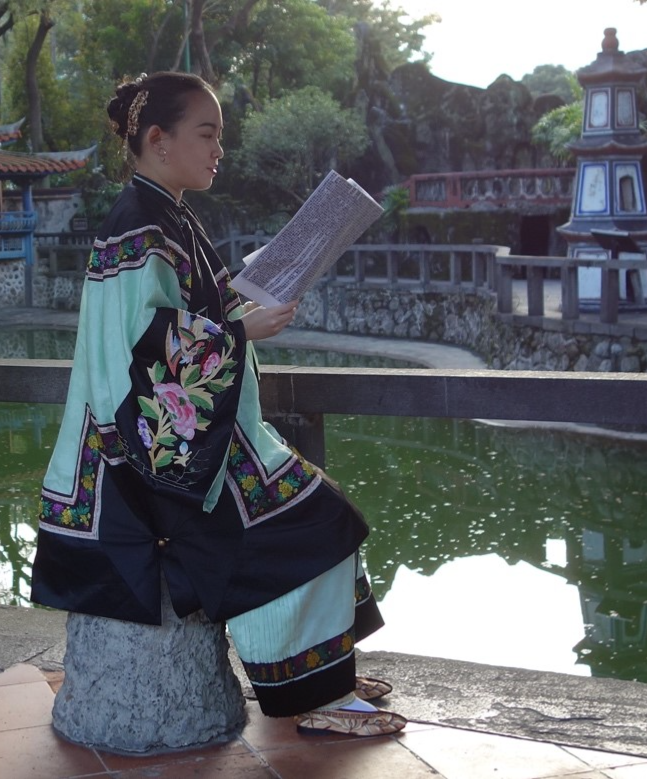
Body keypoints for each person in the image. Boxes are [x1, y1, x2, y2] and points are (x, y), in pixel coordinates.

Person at [30, 71, 405, 738]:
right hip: (141, 463)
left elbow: (181, 315)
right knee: (316, 519)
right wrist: (239, 328)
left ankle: (320, 669)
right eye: (207, 134)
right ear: (158, 139)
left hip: (181, 436)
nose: (218, 150)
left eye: (220, 138)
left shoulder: (166, 214)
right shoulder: (138, 228)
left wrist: (244, 293)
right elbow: (136, 353)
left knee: (318, 514)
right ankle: (310, 687)